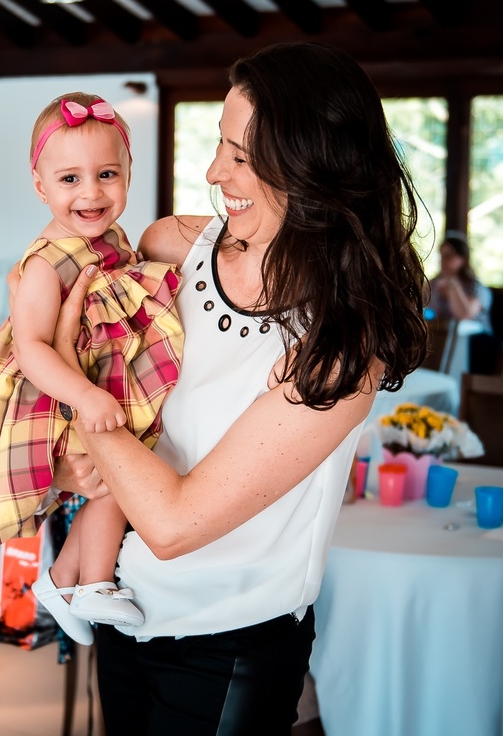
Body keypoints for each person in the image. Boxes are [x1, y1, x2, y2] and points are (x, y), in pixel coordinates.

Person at [44, 43, 428, 734]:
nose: (213, 172)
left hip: (228, 648)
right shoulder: (170, 249)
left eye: (242, 157)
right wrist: (81, 463)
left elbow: (174, 522)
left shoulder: (340, 347)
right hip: (125, 611)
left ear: (315, 168)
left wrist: (69, 375)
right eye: (220, 144)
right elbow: (132, 418)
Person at [0, 93, 184, 645]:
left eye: (107, 174)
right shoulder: (47, 263)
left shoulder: (110, 241)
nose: (91, 192)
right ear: (40, 184)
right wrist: (85, 396)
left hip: (96, 382)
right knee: (116, 481)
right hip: (55, 395)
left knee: (116, 481)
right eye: (70, 178)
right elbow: (30, 347)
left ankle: (62, 581)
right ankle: (93, 583)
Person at [429, 235, 492, 331]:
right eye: (442, 256)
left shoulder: (477, 288)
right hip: (443, 336)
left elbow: (464, 315)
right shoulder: (433, 285)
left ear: (463, 259)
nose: (443, 261)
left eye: (448, 256)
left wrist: (453, 287)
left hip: (475, 341)